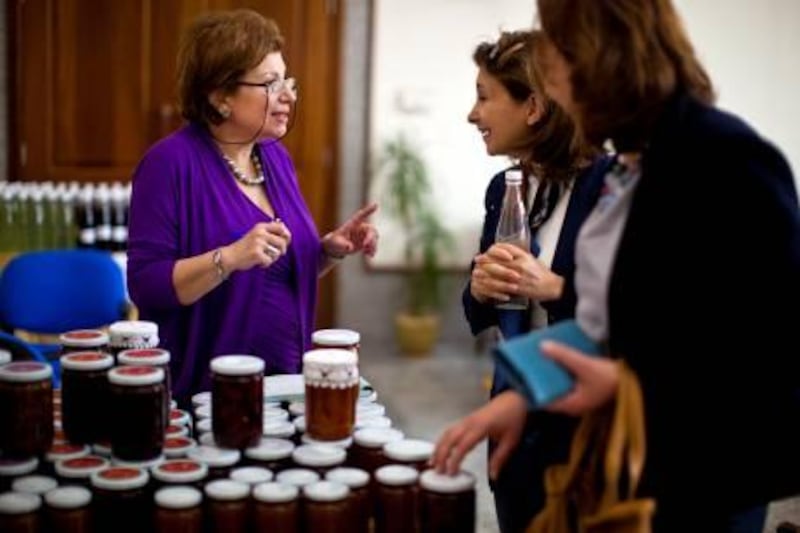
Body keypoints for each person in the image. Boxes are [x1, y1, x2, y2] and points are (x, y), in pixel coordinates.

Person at [435, 1, 800, 531]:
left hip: (697, 489)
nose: (550, 83)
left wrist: (626, 387)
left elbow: (769, 356)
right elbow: (622, 326)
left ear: (596, 56)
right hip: (616, 466)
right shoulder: (637, 162)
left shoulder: (725, 158)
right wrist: (528, 394)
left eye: (555, 53)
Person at [127, 9, 377, 401]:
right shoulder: (168, 164)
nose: (288, 96)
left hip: (285, 385)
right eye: (270, 83)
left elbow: (272, 271)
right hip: (206, 392)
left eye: (288, 81)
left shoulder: (274, 157)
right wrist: (228, 257)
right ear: (219, 96)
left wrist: (327, 251)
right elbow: (146, 286)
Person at [462, 30, 610, 532]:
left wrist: (553, 288)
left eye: (484, 97)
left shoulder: (608, 186)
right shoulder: (505, 187)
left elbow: (639, 311)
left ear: (534, 108)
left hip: (584, 417)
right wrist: (479, 288)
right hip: (511, 406)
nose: (472, 114)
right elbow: (480, 306)